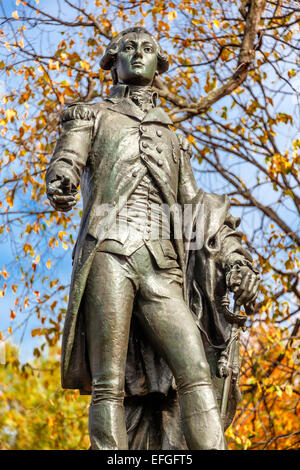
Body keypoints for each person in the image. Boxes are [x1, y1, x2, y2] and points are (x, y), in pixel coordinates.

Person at [46, 27, 259, 450]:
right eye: (128, 48)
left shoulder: (172, 136)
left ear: (159, 63)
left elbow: (195, 209)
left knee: (196, 370)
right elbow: (67, 159)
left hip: (164, 264)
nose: (138, 54)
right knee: (109, 383)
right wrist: (63, 178)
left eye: (148, 49)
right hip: (111, 250)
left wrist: (235, 260)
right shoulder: (92, 116)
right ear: (113, 61)